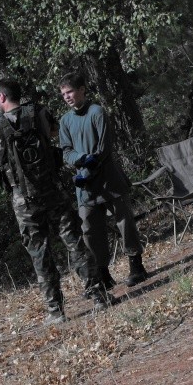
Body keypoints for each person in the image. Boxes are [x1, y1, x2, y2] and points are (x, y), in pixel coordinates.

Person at [0, 79, 109, 325]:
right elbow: (54, 132)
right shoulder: (39, 112)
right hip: (53, 191)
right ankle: (98, 295)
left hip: (25, 202)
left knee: (40, 254)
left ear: (2, 97)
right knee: (74, 242)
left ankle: (56, 311)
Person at [58, 72, 149, 289]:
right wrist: (80, 160)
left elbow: (104, 148)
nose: (67, 97)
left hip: (109, 179)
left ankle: (136, 266)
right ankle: (103, 274)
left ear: (82, 90)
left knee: (124, 222)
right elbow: (66, 151)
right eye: (63, 94)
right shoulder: (65, 121)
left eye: (70, 91)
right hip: (86, 186)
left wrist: (92, 162)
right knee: (90, 230)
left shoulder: (97, 112)